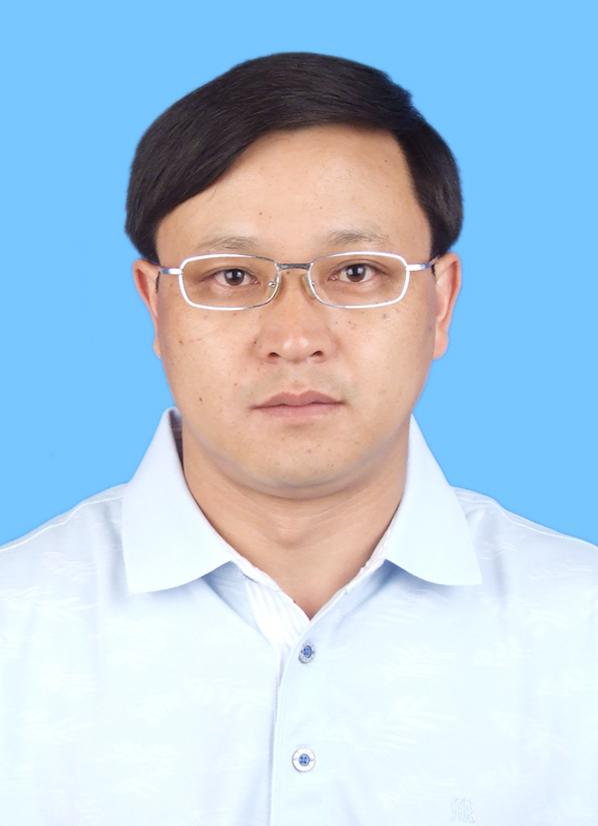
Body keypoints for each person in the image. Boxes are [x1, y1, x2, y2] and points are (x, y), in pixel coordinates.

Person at [1, 51, 596, 826]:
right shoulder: (16, 628)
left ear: (440, 303)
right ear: (156, 305)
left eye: (356, 273)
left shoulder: (581, 630)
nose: (293, 338)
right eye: (232, 277)